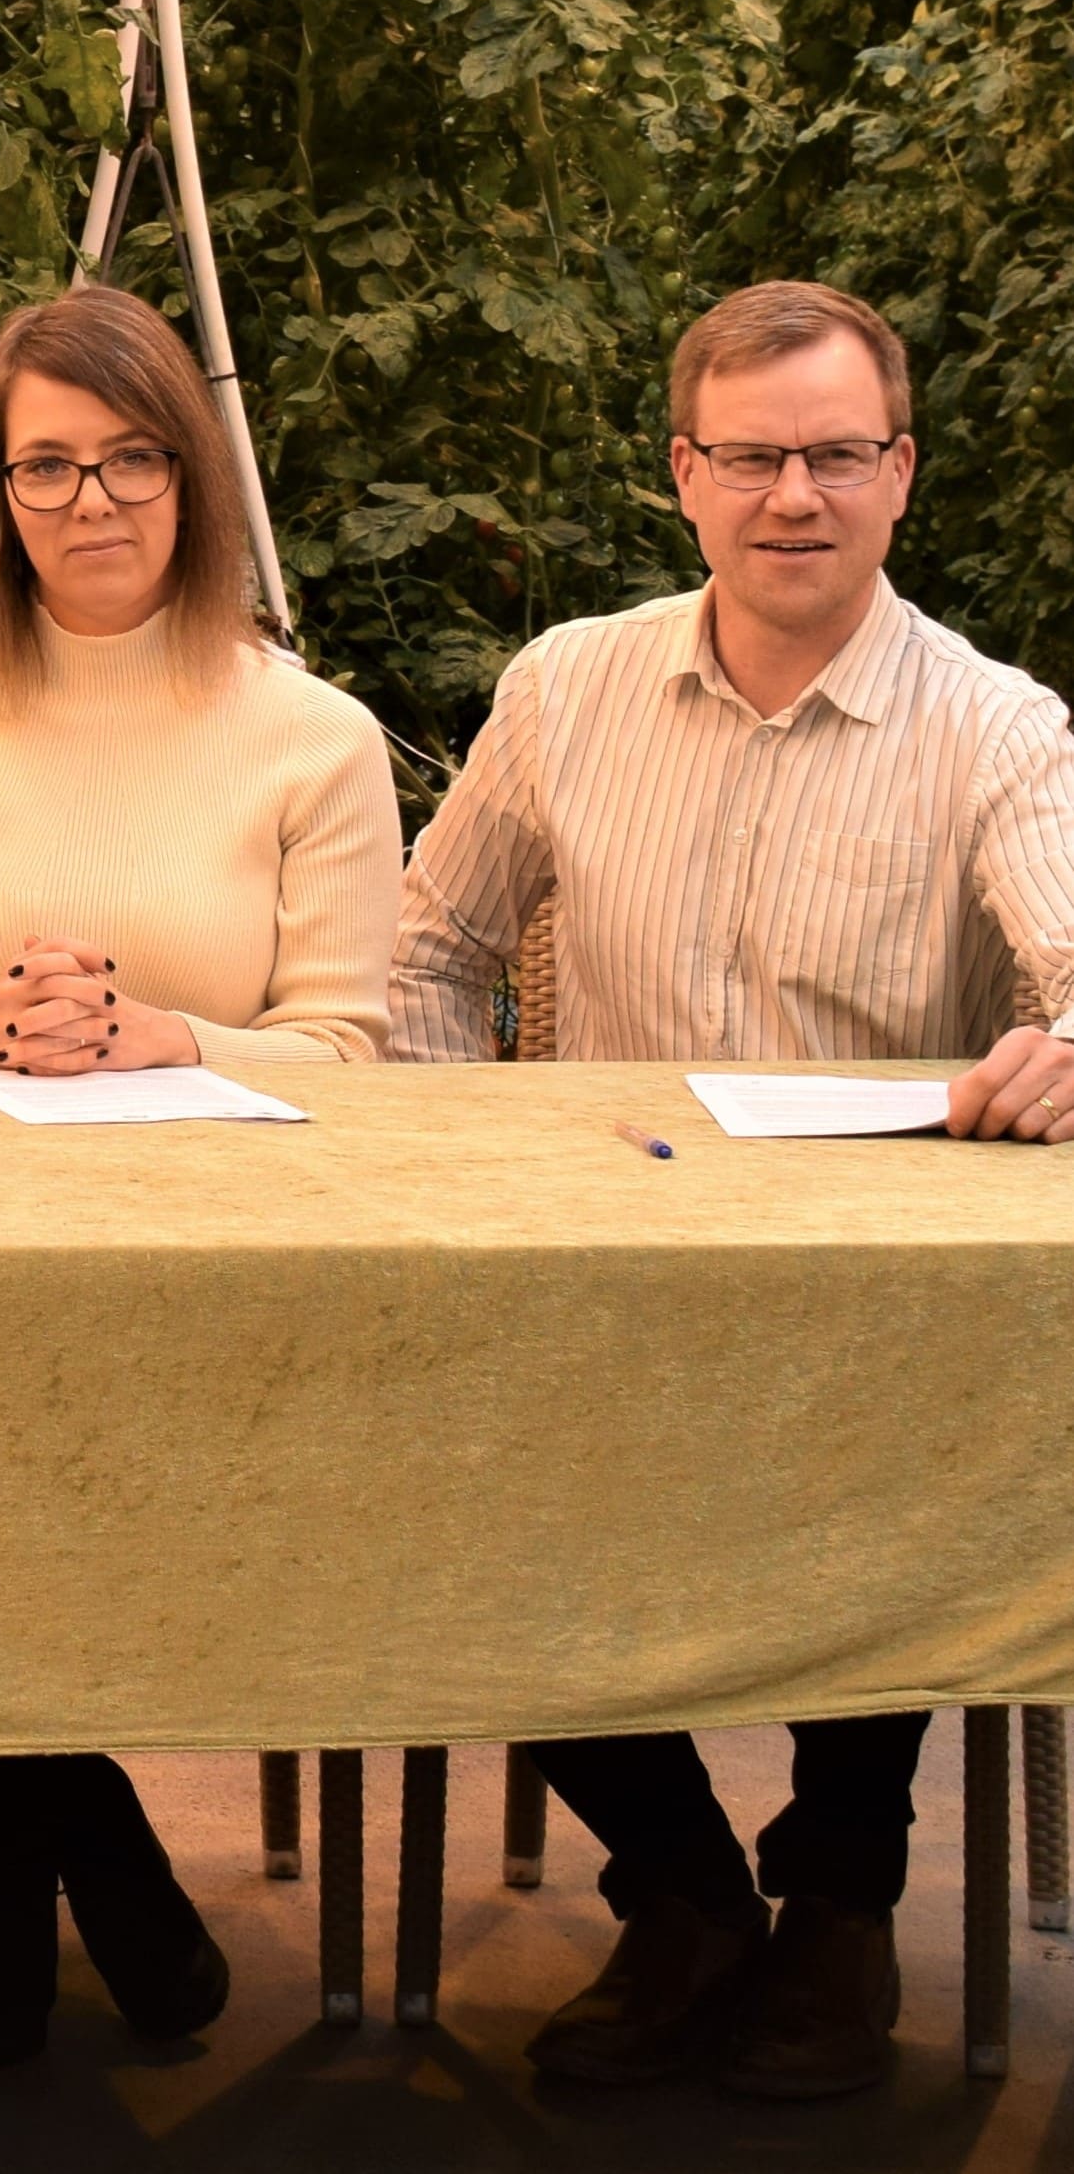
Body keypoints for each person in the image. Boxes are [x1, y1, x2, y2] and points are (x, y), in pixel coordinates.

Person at [394, 278, 1074, 2100]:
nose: (793, 495)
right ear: (682, 473)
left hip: (871, 1301)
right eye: (751, 457)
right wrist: (467, 1167)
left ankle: (840, 1913)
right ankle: (682, 1894)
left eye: (835, 454)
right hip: (594, 1265)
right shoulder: (564, 689)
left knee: (925, 1462)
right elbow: (426, 955)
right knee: (428, 1469)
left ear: (899, 472)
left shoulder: (996, 727)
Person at [0, 283, 400, 2066]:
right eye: (46, 465)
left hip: (230, 1277)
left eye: (133, 458)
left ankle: (23, 1837)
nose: (91, 501)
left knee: (56, 1462)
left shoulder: (315, 736)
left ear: (191, 478)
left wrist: (167, 1040)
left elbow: (353, 1049)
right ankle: (71, 1831)